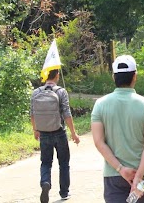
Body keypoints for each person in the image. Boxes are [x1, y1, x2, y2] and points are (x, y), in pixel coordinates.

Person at [91, 55, 144, 203]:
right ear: (135, 76)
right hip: (142, 178)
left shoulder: (100, 105)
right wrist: (139, 176)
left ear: (113, 77)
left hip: (114, 176)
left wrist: (120, 169)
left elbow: (98, 142)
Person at [30, 69, 80, 203]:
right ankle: (64, 192)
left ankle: (45, 182)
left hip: (44, 133)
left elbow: (32, 113)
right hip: (59, 131)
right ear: (57, 76)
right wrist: (74, 134)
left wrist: (35, 130)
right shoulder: (61, 92)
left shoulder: (36, 92)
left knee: (46, 162)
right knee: (63, 163)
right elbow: (67, 114)